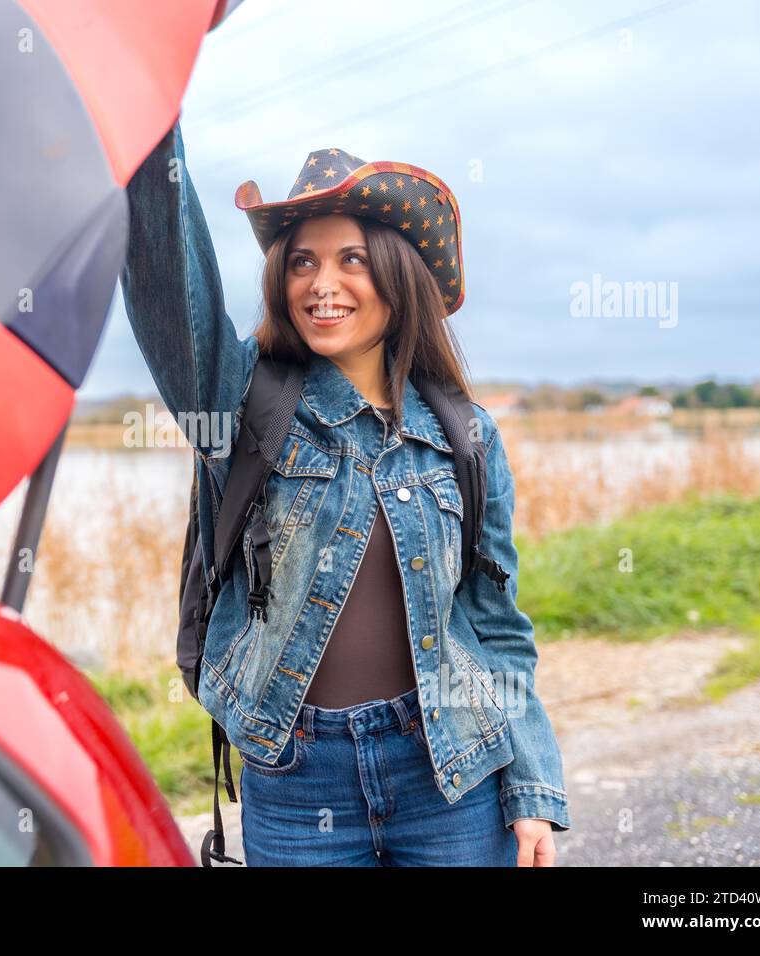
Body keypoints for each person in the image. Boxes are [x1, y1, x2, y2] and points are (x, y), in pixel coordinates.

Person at [120, 120, 570, 866]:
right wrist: (149, 128)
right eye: (301, 261)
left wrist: (531, 790)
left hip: (452, 772)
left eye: (351, 259)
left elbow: (495, 628)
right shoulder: (240, 404)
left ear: (397, 275)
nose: (321, 284)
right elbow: (171, 291)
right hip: (297, 781)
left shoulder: (468, 436)